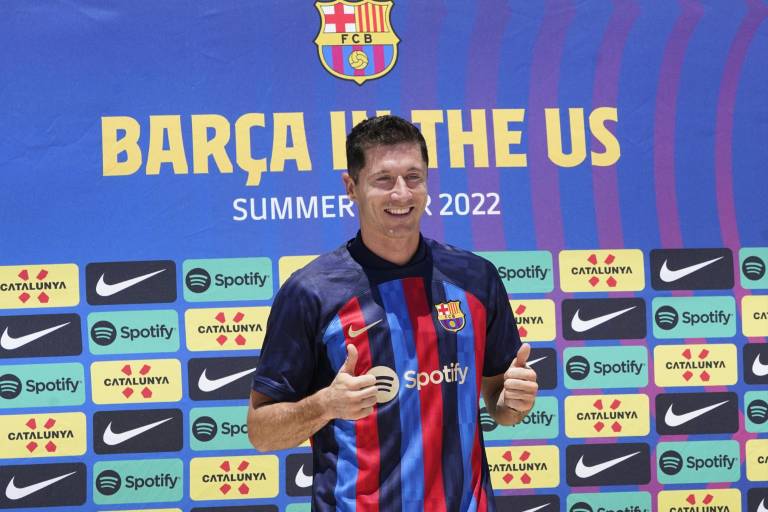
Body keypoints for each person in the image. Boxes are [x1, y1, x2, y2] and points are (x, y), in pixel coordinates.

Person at [247, 115, 538, 511]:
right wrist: (326, 404)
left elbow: (499, 403)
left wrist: (513, 401)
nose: (401, 193)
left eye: (413, 177)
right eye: (383, 179)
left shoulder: (476, 277)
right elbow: (261, 432)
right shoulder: (311, 292)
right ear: (351, 187)